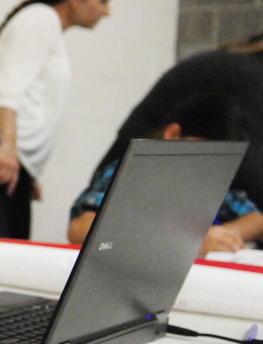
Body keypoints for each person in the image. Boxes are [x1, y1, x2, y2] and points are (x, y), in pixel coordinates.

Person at [0, 0, 114, 239]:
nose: (106, 12)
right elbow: (7, 87)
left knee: (9, 251)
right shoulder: (39, 18)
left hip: (7, 160)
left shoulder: (45, 24)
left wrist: (27, 167)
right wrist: (7, 148)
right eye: (103, 0)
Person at [68, 93, 263, 254]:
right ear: (173, 135)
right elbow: (80, 228)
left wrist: (222, 235)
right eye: (204, 155)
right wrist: (188, 242)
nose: (208, 168)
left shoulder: (201, 184)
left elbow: (256, 219)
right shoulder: (130, 174)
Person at [96, 29, 263, 210]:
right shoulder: (247, 74)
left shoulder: (241, 66)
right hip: (141, 175)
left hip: (165, 168)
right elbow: (252, 173)